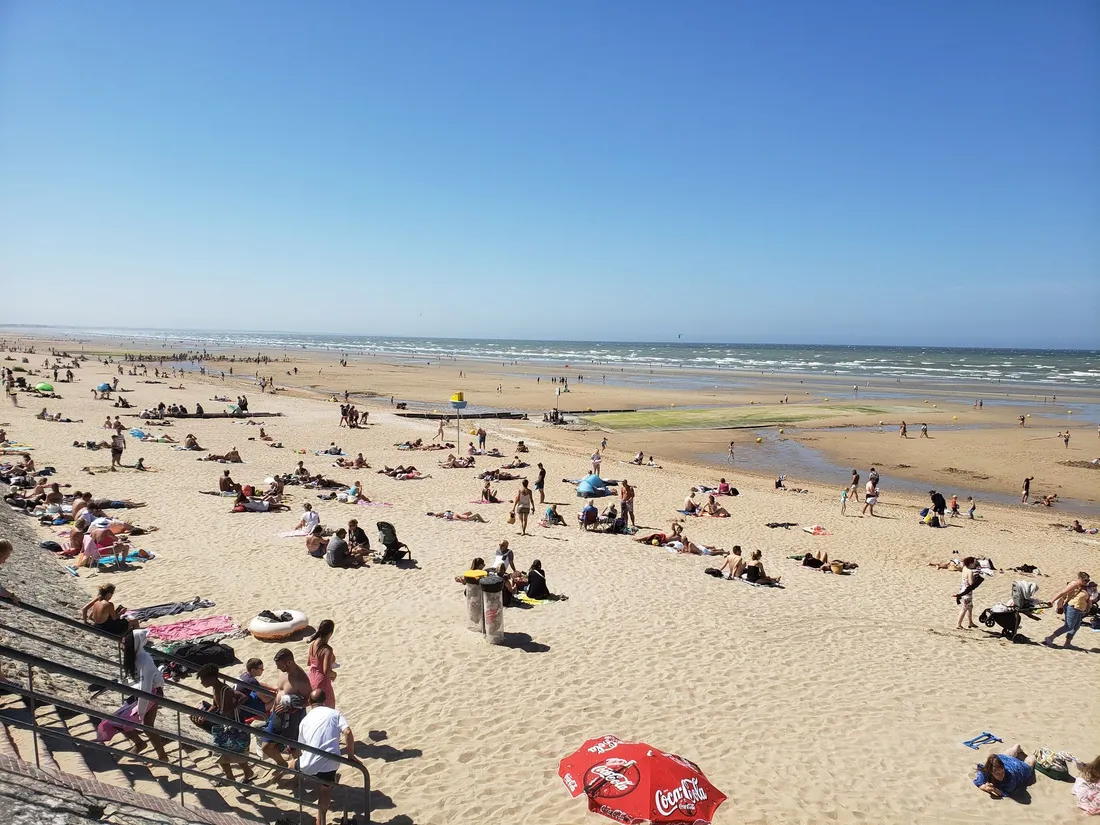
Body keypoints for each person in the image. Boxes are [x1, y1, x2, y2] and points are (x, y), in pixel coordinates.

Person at [96, 629, 169, 761]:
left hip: (150, 694)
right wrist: (115, 684)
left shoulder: (144, 660)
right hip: (146, 693)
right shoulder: (136, 657)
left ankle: (146, 747)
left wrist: (140, 711)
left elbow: (145, 687)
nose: (122, 647)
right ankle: (154, 751)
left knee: (121, 721)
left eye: (125, 644)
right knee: (146, 726)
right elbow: (135, 680)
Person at [297, 689, 358, 825]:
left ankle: (284, 772)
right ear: (325, 701)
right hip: (330, 762)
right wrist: (350, 755)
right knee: (325, 790)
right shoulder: (335, 713)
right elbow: (348, 732)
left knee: (292, 764)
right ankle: (320, 822)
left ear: (309, 702)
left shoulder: (304, 721)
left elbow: (301, 747)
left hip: (308, 763)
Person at [194, 664, 256, 783]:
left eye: (203, 679)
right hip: (226, 723)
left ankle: (237, 775)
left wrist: (231, 708)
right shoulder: (215, 689)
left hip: (235, 723)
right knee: (226, 751)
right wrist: (205, 715)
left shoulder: (225, 690)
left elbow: (243, 697)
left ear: (211, 677)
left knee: (225, 750)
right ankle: (239, 774)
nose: (201, 682)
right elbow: (215, 705)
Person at [261, 648, 312, 771]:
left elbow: (310, 700)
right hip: (277, 715)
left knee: (295, 748)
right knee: (266, 746)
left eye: (280, 665)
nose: (278, 668)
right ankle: (283, 765)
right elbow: (279, 690)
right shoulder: (283, 673)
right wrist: (274, 707)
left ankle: (299, 773)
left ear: (289, 662)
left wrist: (291, 704)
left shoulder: (301, 680)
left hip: (293, 718)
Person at [1042, 571, 1093, 648]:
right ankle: (1050, 638)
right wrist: (1051, 601)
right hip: (1072, 607)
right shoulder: (1074, 584)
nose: (1087, 582)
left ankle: (1067, 643)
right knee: (1068, 626)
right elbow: (1062, 593)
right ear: (1079, 578)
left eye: (1088, 580)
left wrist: (1088, 606)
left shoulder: (1084, 586)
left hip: (1079, 609)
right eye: (1085, 580)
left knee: (1076, 626)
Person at [307, 620, 338, 709]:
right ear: (331, 633)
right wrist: (334, 674)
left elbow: (309, 662)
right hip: (322, 682)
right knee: (329, 708)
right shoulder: (327, 650)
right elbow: (326, 671)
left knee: (316, 709)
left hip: (312, 679)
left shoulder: (313, 644)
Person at [955, 557, 981, 629]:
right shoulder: (970, 571)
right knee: (964, 608)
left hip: (963, 589)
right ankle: (958, 624)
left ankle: (970, 622)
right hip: (967, 592)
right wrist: (975, 578)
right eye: (973, 563)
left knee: (970, 606)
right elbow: (971, 583)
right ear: (970, 563)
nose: (974, 564)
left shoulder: (964, 568)